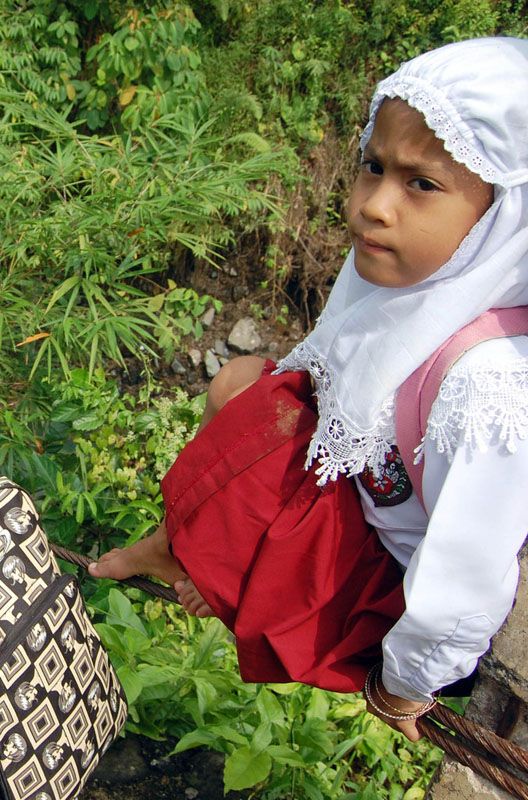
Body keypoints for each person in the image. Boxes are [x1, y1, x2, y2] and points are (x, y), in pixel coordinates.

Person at [89, 37, 528, 742]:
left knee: (255, 409)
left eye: (421, 183)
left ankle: (219, 569)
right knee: (246, 386)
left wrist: (403, 686)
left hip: (379, 590)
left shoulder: (488, 384)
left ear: (503, 215)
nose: (374, 206)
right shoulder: (417, 283)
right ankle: (193, 547)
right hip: (361, 502)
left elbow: (464, 582)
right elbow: (322, 378)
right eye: (373, 167)